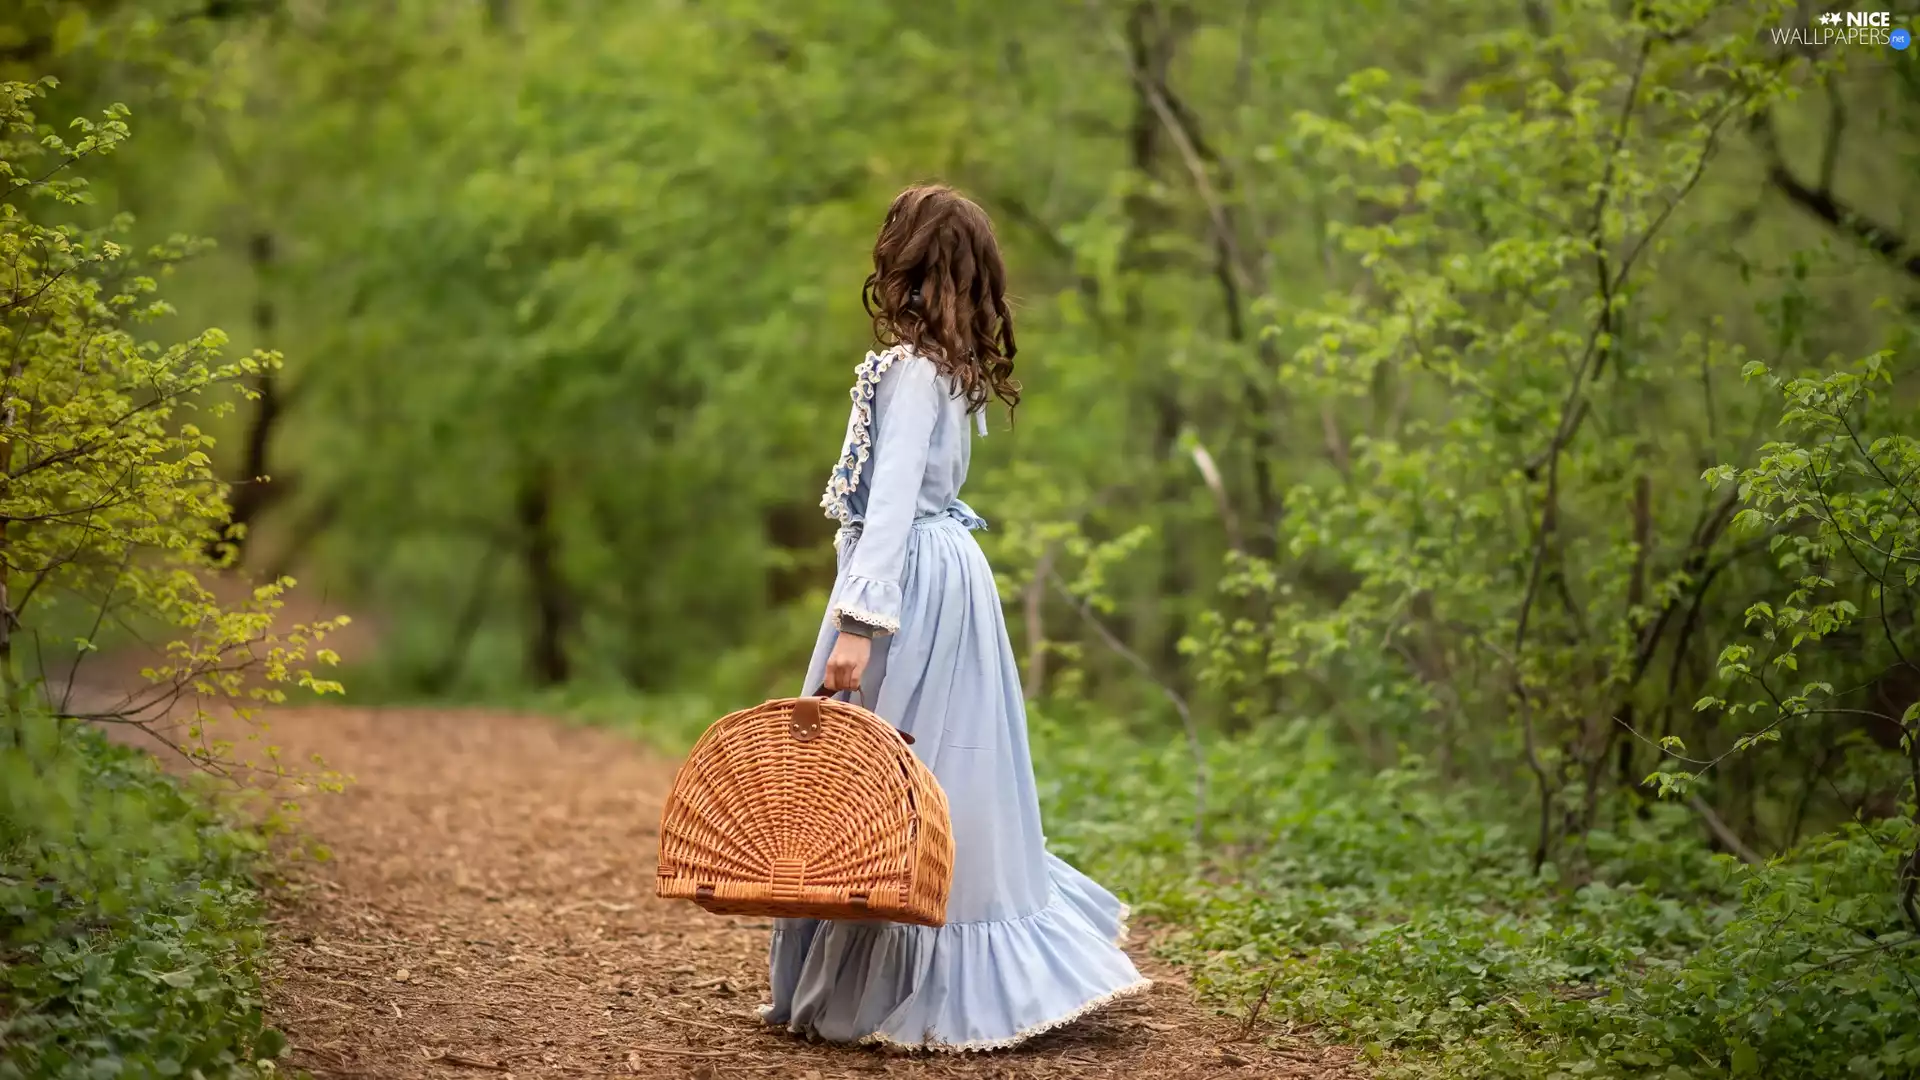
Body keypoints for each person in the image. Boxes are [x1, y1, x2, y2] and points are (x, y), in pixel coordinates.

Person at [760, 184, 1151, 1051]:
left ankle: (899, 974)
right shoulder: (955, 370)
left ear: (907, 261)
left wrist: (859, 625)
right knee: (943, 770)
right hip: (950, 581)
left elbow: (892, 503)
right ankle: (944, 951)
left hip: (903, 584)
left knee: (885, 772)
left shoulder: (911, 372)